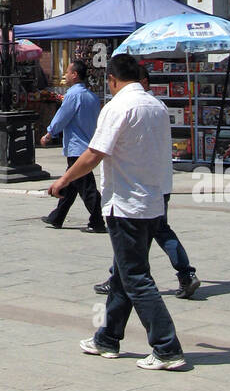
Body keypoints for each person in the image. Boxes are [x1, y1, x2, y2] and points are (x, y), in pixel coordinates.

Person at [49, 52, 186, 371]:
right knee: (124, 273)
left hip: (127, 204)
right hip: (153, 199)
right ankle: (107, 338)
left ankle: (167, 346)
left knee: (136, 277)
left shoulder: (118, 107)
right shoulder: (157, 105)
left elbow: (94, 154)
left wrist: (64, 180)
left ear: (112, 80)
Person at [94, 70, 200, 300]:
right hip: (159, 183)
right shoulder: (159, 107)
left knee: (131, 232)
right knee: (154, 231)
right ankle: (182, 273)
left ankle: (124, 278)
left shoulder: (130, 107)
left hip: (138, 186)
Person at [39, 59, 104, 232]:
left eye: (68, 72)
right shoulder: (92, 97)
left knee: (86, 187)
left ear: (75, 75)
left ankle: (98, 221)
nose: (65, 75)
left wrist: (49, 133)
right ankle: (57, 217)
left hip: (77, 147)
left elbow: (62, 116)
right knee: (70, 184)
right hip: (88, 144)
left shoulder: (73, 95)